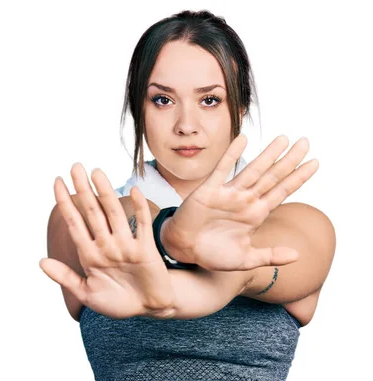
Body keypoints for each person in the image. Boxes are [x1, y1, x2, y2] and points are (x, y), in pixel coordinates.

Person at [41, 9, 336, 381]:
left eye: (209, 100)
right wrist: (171, 236)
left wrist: (192, 281)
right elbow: (126, 217)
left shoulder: (299, 224)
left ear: (239, 108)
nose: (186, 126)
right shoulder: (83, 217)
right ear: (138, 108)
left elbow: (248, 269)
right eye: (163, 100)